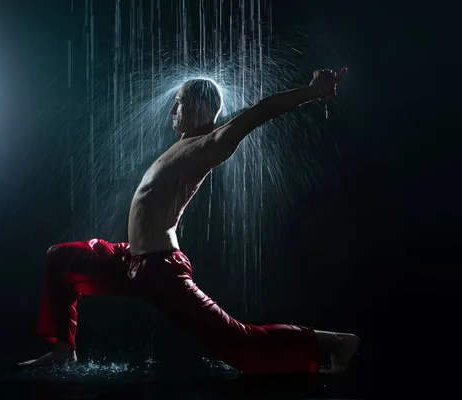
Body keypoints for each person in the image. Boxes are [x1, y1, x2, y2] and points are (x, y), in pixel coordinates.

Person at [19, 67, 360, 374]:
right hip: (130, 261)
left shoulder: (211, 143)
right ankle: (64, 350)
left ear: (200, 107)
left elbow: (260, 112)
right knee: (61, 257)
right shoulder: (180, 146)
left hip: (162, 270)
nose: (172, 110)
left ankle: (334, 341)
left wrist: (312, 92)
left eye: (179, 102)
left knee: (236, 341)